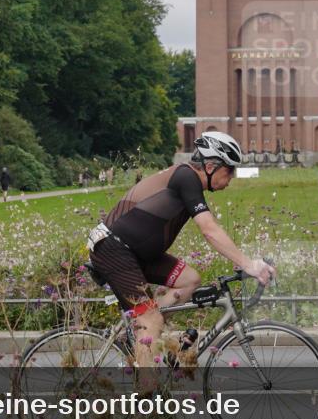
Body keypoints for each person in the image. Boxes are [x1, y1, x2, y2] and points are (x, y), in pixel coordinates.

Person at [88, 131, 275, 374]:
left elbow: (210, 230)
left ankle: (137, 329)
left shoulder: (187, 179)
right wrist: (248, 264)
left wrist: (244, 262)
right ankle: (146, 401)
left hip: (135, 253)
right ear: (210, 166)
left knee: (190, 280)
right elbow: (209, 229)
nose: (232, 178)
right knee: (151, 319)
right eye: (230, 170)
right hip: (113, 249)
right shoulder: (186, 177)